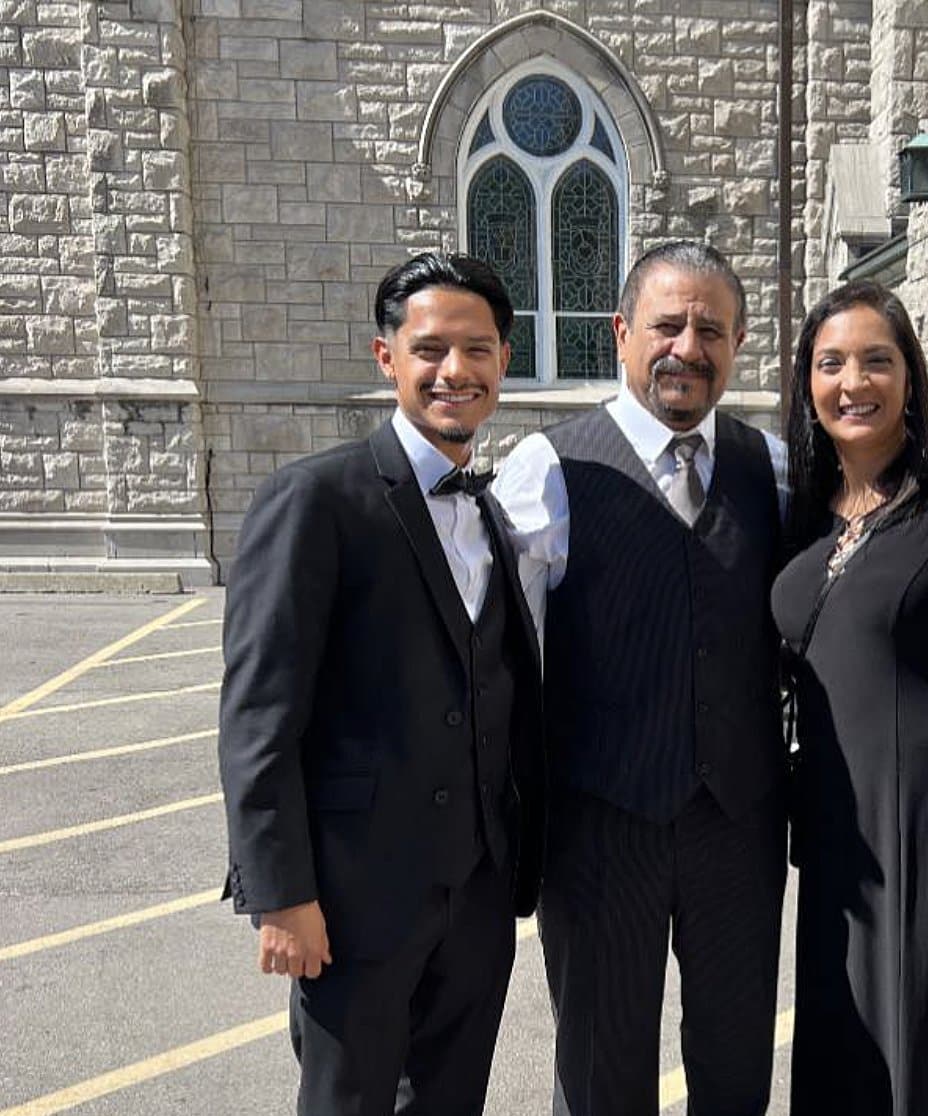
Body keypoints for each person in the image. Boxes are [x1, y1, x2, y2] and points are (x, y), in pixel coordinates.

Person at [217, 253, 546, 1116]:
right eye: (430, 348)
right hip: (354, 900)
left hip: (475, 898)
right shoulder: (315, 500)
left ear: (505, 362)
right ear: (386, 356)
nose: (455, 372)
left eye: (478, 350)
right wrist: (281, 896)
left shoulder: (489, 506)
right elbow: (259, 717)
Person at [493, 240, 790, 1116]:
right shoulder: (548, 469)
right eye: (667, 325)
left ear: (737, 343)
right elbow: (486, 648)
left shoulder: (770, 468)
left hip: (737, 825)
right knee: (601, 1072)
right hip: (599, 830)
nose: (687, 348)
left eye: (711, 329)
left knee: (736, 1067)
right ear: (622, 333)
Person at [771, 280, 928, 1115]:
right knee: (847, 1047)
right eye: (831, 362)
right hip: (839, 833)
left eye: (878, 361)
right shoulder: (804, 511)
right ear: (807, 381)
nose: (855, 382)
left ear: (911, 378)